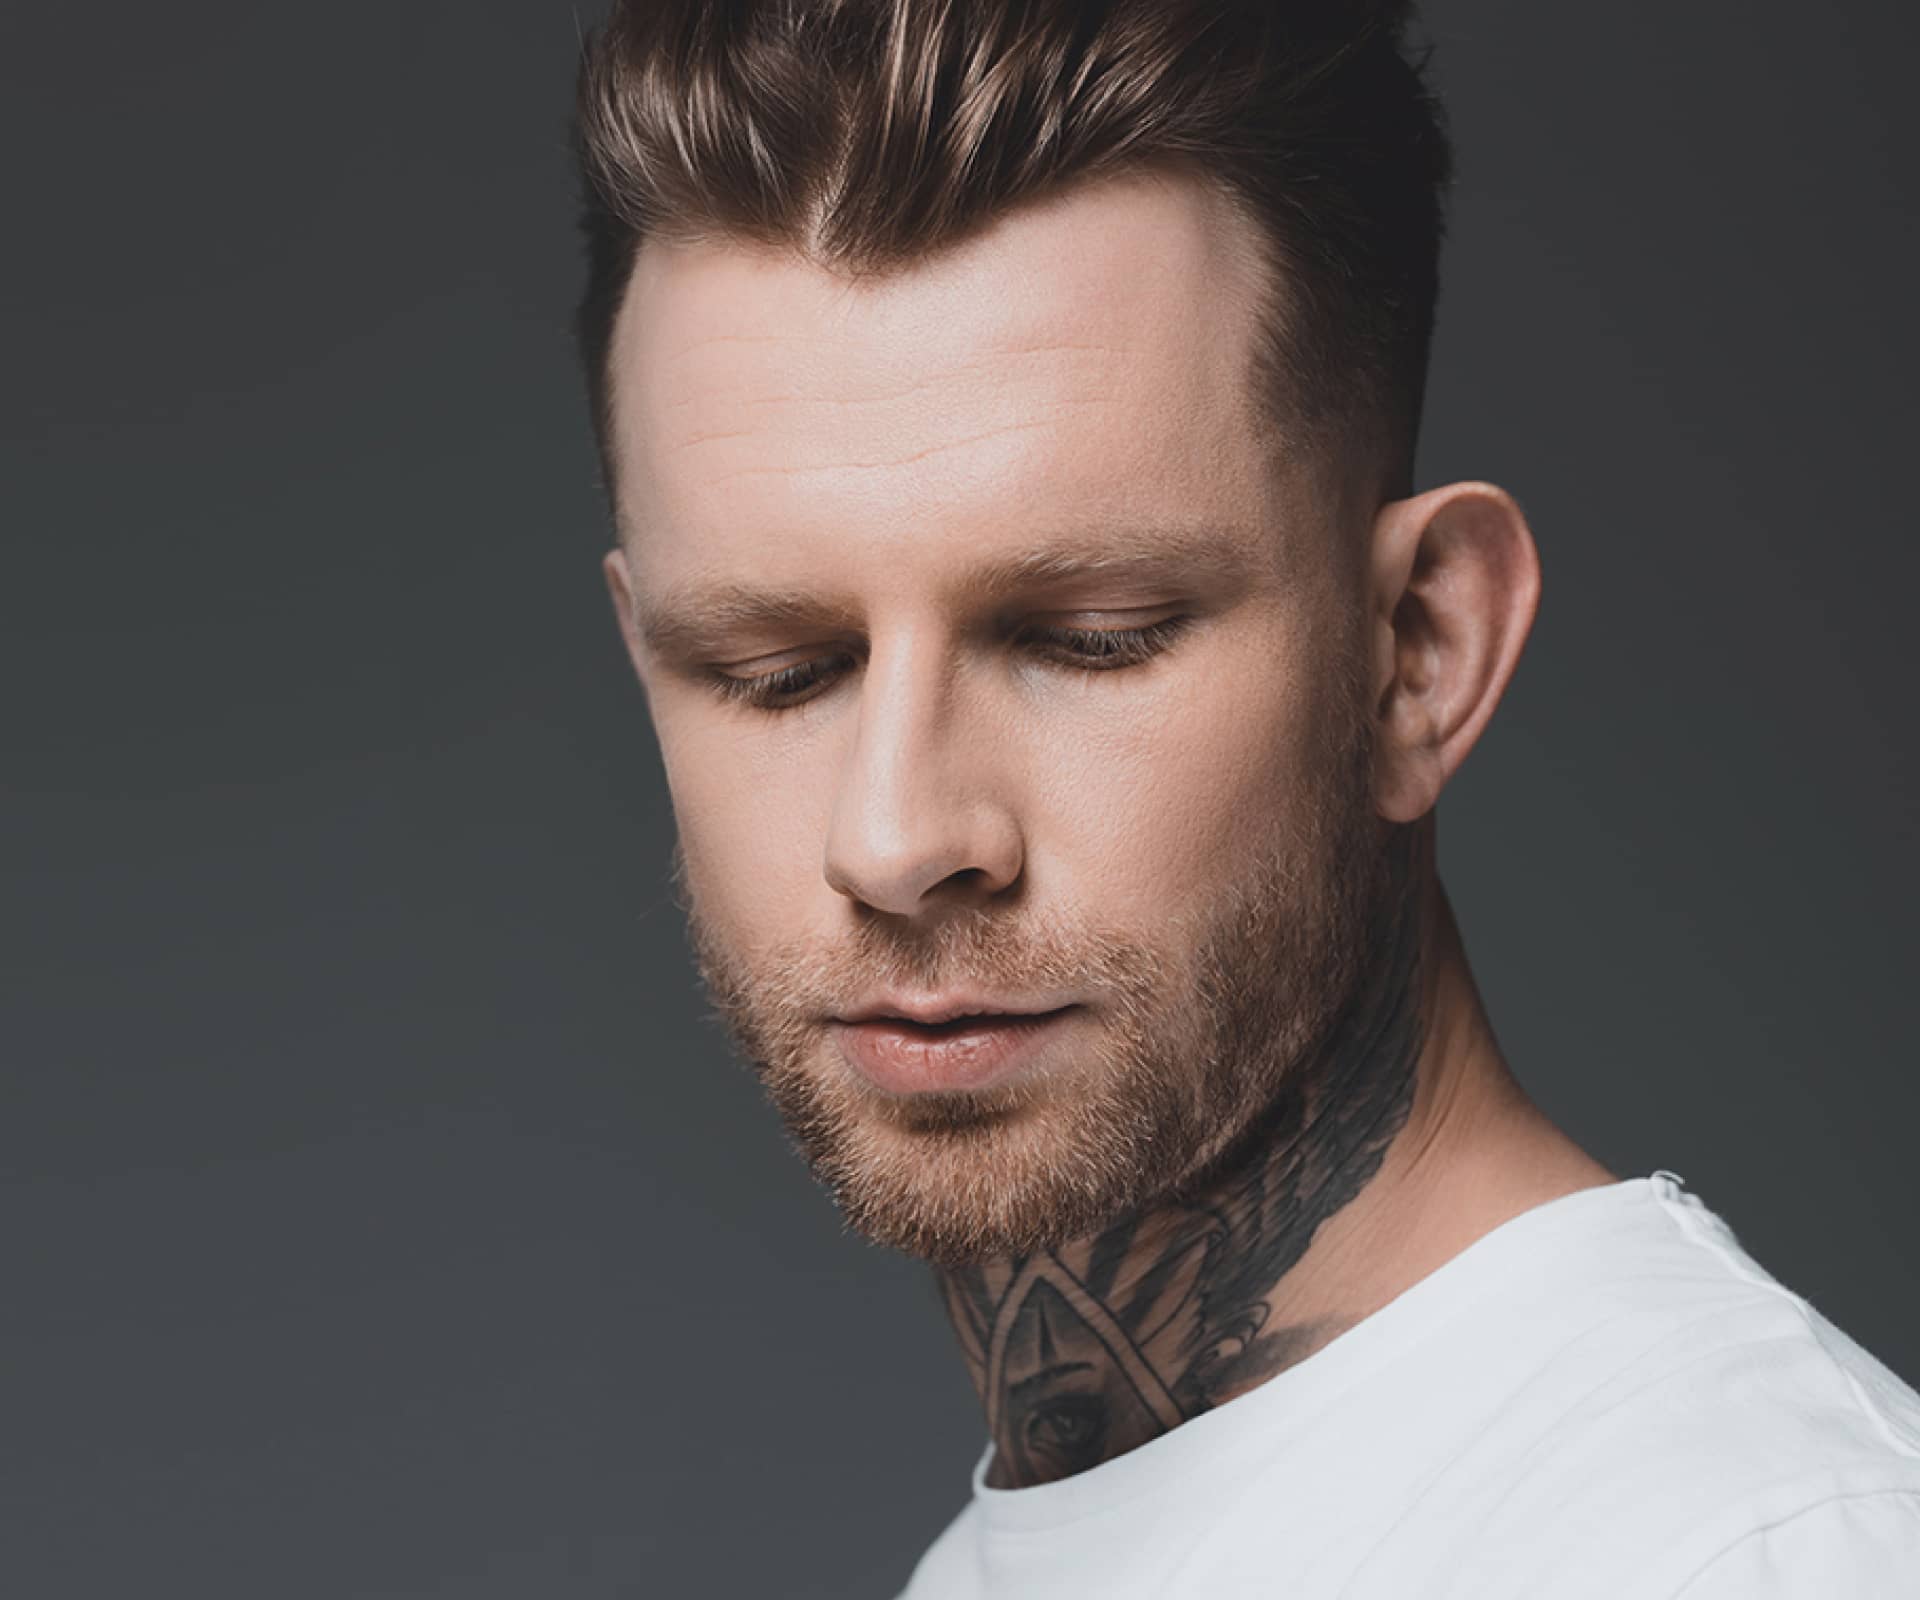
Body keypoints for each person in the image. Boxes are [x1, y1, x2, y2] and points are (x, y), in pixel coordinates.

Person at [570, 0, 1920, 1592]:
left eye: (1092, 637)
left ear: (1417, 652)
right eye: (775, 670)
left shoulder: (1751, 1549)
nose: (896, 838)